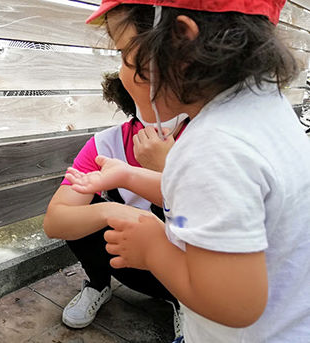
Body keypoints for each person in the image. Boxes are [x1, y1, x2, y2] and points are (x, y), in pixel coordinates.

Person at [65, 1, 310, 342]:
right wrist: (129, 176)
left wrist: (152, 247)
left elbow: (235, 303)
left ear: (181, 41)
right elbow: (221, 205)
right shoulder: (266, 113)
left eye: (124, 54)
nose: (121, 73)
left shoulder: (214, 146)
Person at [43, 70, 189, 334]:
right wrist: (112, 211)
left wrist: (166, 168)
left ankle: (184, 302)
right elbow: (55, 222)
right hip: (125, 260)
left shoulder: (204, 143)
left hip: (185, 269)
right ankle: (98, 284)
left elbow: (206, 222)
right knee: (84, 208)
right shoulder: (106, 145)